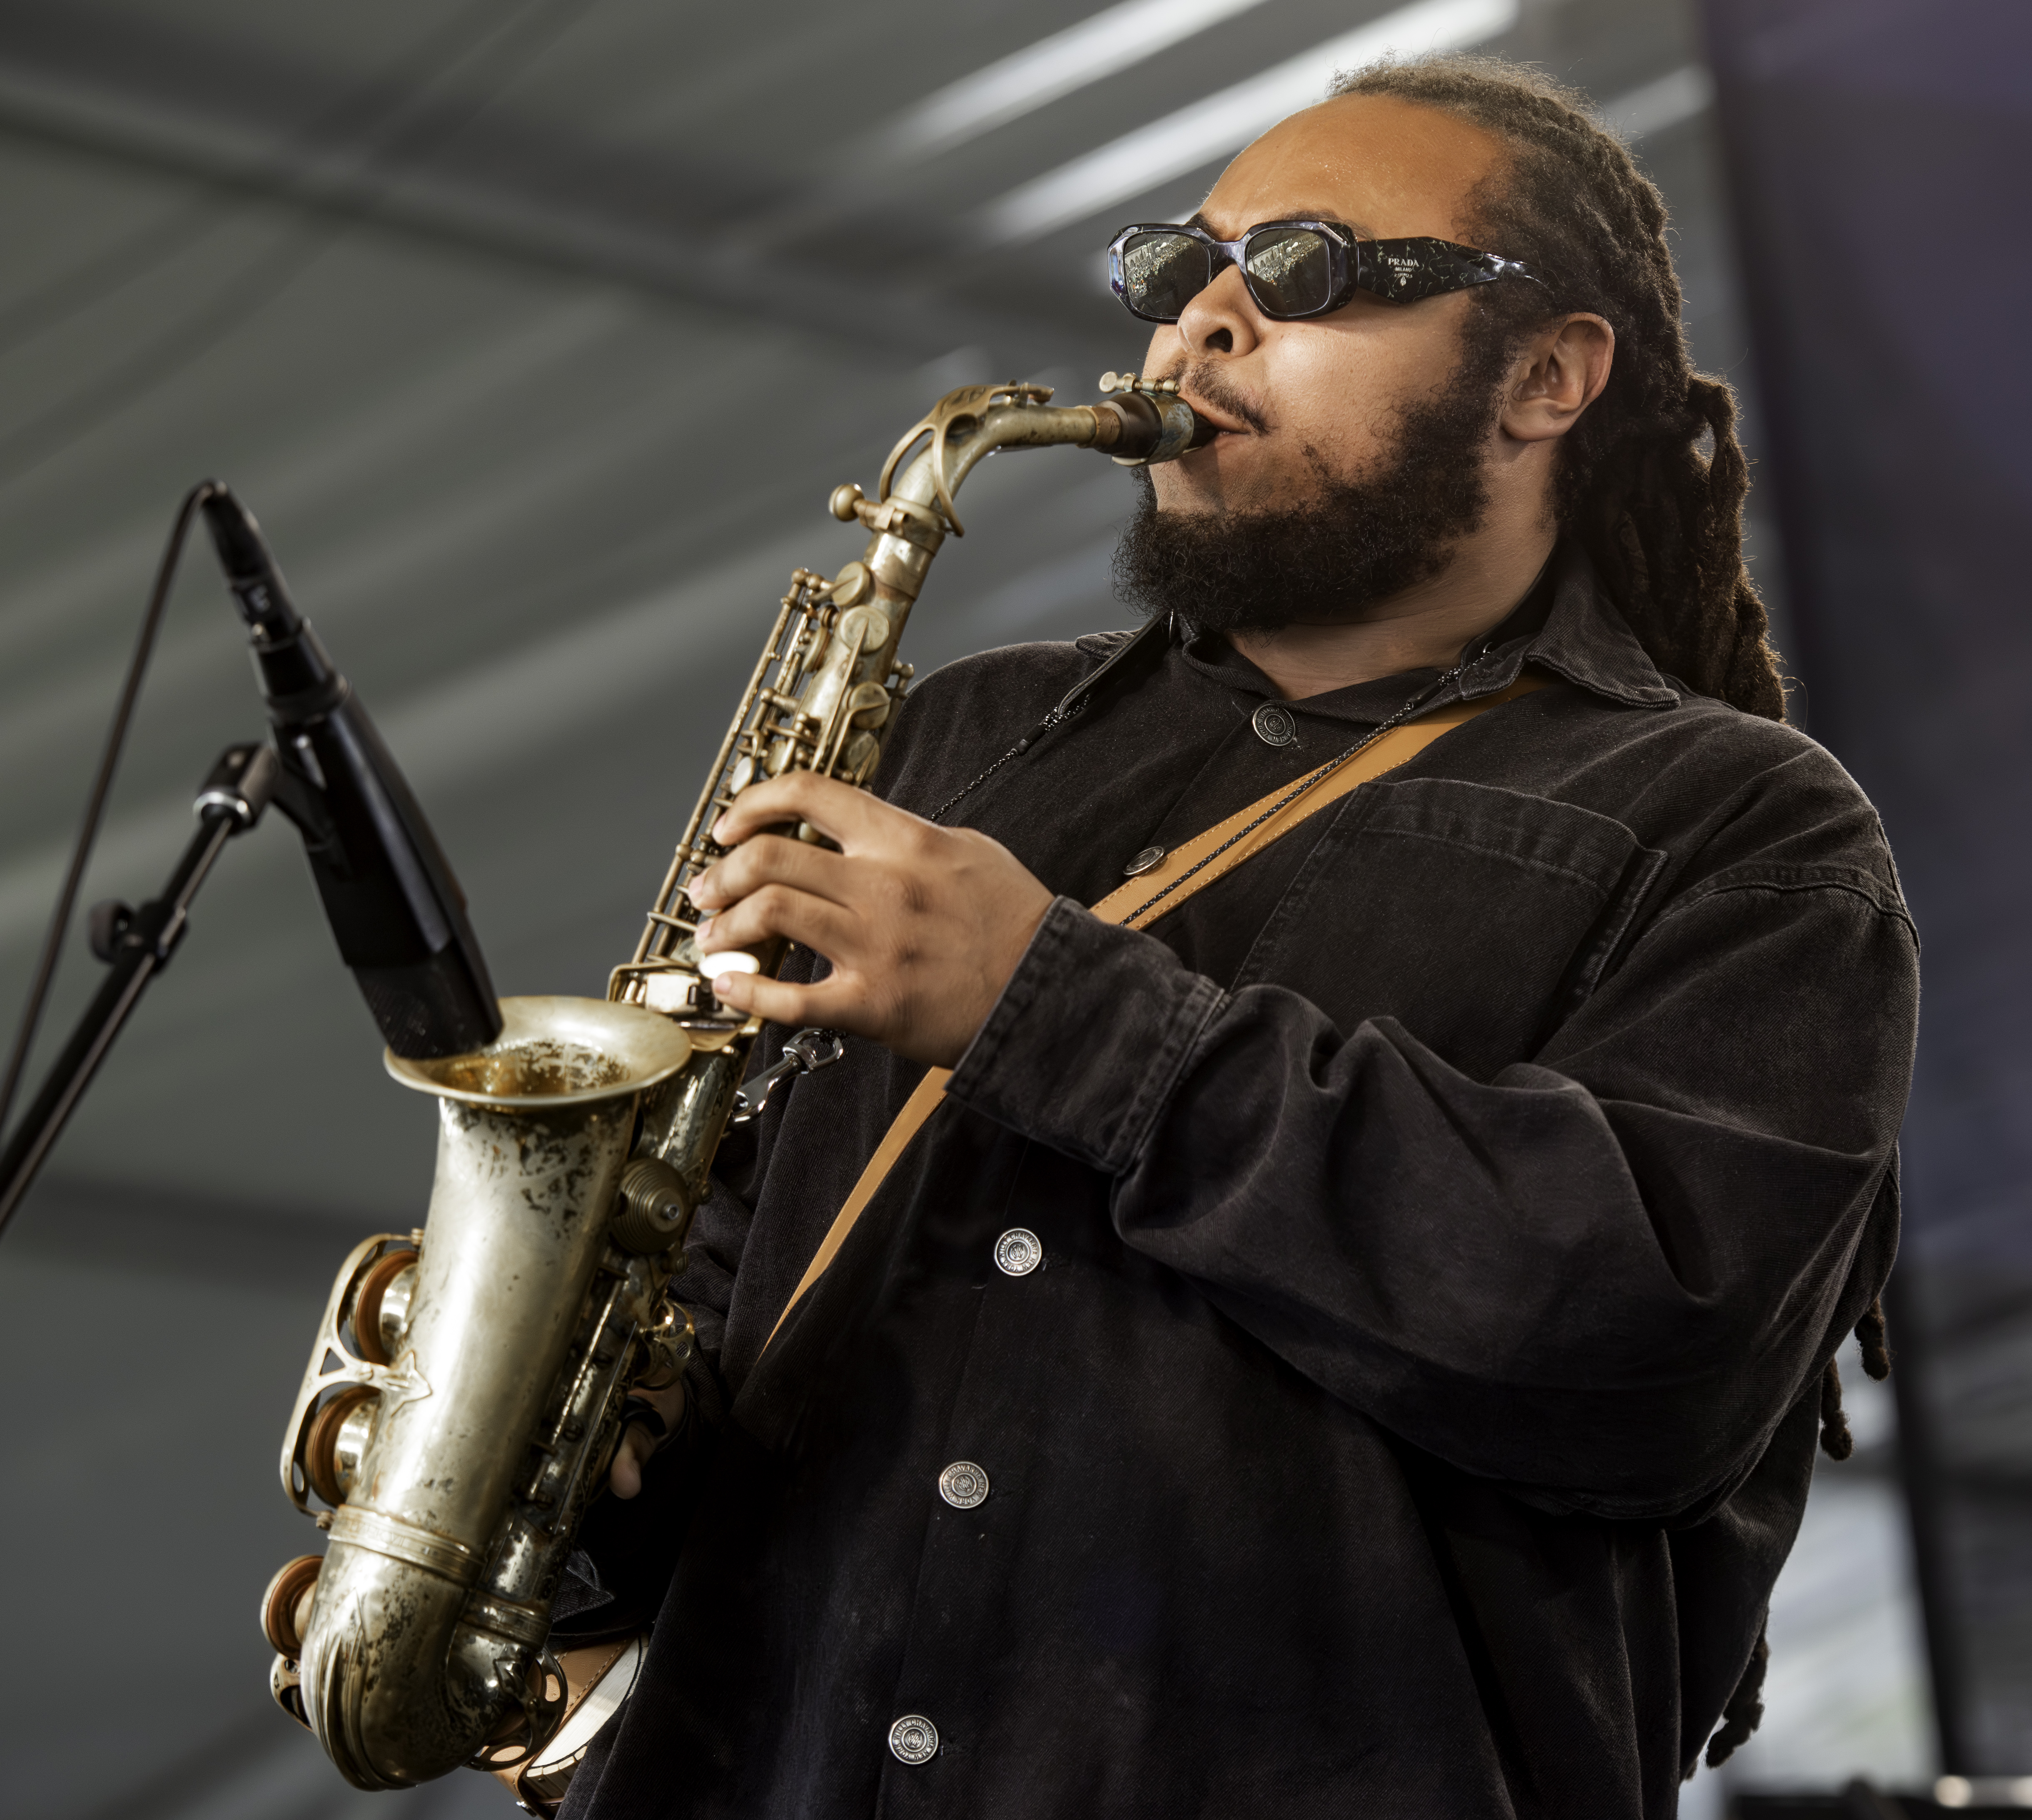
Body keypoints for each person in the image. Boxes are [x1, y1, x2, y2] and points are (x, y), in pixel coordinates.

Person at [561, 54, 1917, 1820]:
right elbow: (734, 1252)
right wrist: (585, 1427)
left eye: (1304, 272)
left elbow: (1640, 1344)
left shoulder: (1739, 821)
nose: (1197, 325)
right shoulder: (964, 738)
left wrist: (1037, 1000)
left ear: (1547, 375)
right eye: (1174, 269)